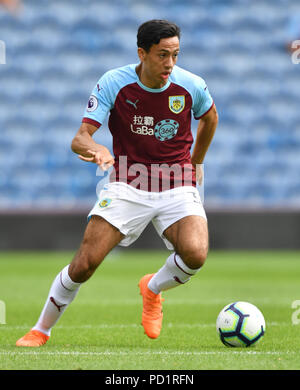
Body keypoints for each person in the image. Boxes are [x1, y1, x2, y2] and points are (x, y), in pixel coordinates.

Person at [16, 19, 218, 347]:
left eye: (176, 55)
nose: (170, 64)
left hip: (176, 183)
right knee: (85, 263)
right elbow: (80, 138)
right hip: (128, 183)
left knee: (195, 254)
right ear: (142, 53)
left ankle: (152, 289)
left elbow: (210, 117)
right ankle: (41, 329)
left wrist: (197, 161)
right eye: (162, 55)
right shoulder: (115, 82)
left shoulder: (190, 85)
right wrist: (97, 149)